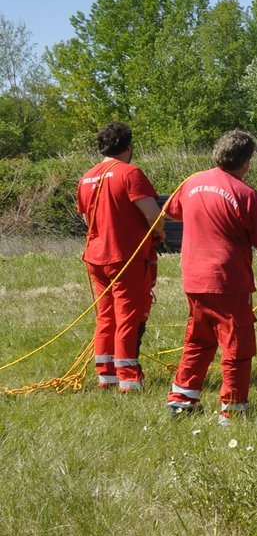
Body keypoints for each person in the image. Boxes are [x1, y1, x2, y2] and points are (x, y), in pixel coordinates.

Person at [164, 130, 257, 423]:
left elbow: (174, 211)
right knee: (236, 345)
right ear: (247, 161)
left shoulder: (191, 183)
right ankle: (233, 411)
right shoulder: (247, 195)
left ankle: (181, 402)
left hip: (193, 277)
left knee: (198, 340)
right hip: (228, 280)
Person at [76, 122, 165, 392]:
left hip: (96, 257)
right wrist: (158, 235)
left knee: (105, 316)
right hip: (125, 257)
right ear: (128, 146)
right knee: (128, 316)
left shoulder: (86, 177)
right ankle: (128, 378)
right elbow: (153, 215)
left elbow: (85, 218)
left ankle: (106, 376)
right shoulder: (130, 173)